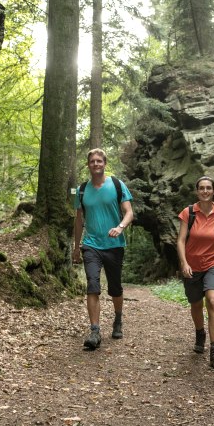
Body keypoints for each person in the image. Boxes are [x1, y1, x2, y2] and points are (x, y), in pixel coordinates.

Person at [73, 148, 134, 350]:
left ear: (105, 163)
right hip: (91, 244)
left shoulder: (117, 185)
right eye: (92, 161)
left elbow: (129, 212)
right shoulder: (82, 190)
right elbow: (79, 220)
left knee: (115, 287)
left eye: (99, 161)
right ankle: (94, 330)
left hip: (114, 245)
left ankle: (118, 318)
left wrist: (120, 227)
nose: (96, 164)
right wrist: (76, 247)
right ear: (88, 165)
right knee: (93, 284)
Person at [176, 176, 214, 370]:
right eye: (202, 188)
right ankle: (200, 333)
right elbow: (181, 240)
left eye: (209, 188)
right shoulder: (188, 213)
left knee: (213, 300)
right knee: (196, 303)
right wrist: (184, 263)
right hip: (192, 265)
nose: (205, 191)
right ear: (197, 191)